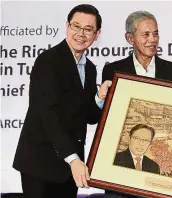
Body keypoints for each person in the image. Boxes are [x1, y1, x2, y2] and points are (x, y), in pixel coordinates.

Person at [12, 4, 112, 198]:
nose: (81, 34)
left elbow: (88, 117)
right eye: (76, 26)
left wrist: (99, 98)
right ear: (67, 26)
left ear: (97, 34)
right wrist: (73, 159)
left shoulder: (90, 69)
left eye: (88, 29)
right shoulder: (48, 61)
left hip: (69, 168)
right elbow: (47, 114)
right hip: (41, 164)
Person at [100, 10, 172, 198]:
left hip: (161, 173)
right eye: (146, 34)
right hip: (121, 176)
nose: (152, 40)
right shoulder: (113, 71)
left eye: (155, 34)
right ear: (130, 38)